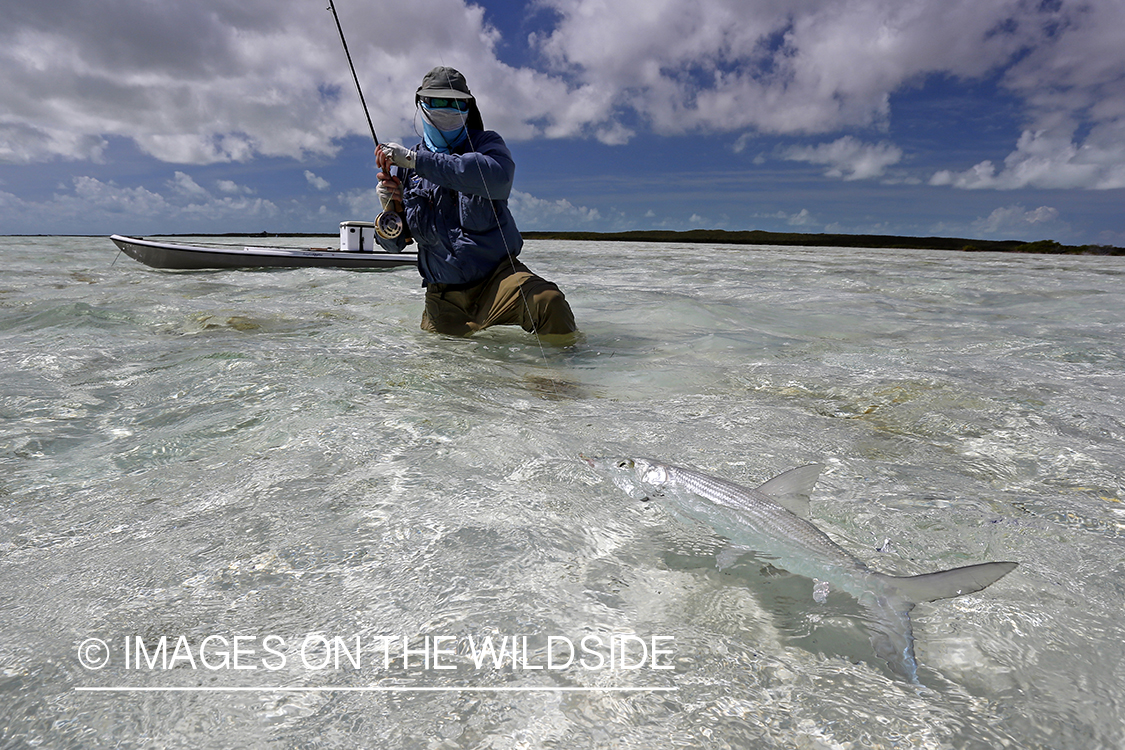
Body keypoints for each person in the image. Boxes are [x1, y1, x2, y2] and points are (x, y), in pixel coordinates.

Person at [374, 66, 577, 339]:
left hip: (499, 280)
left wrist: (416, 160)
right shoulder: (404, 168)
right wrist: (389, 211)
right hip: (443, 296)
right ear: (421, 105)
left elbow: (499, 179)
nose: (446, 109)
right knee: (437, 373)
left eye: (455, 102)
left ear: (469, 107)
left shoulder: (486, 144)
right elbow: (394, 246)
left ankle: (558, 376)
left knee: (549, 303)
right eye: (436, 101)